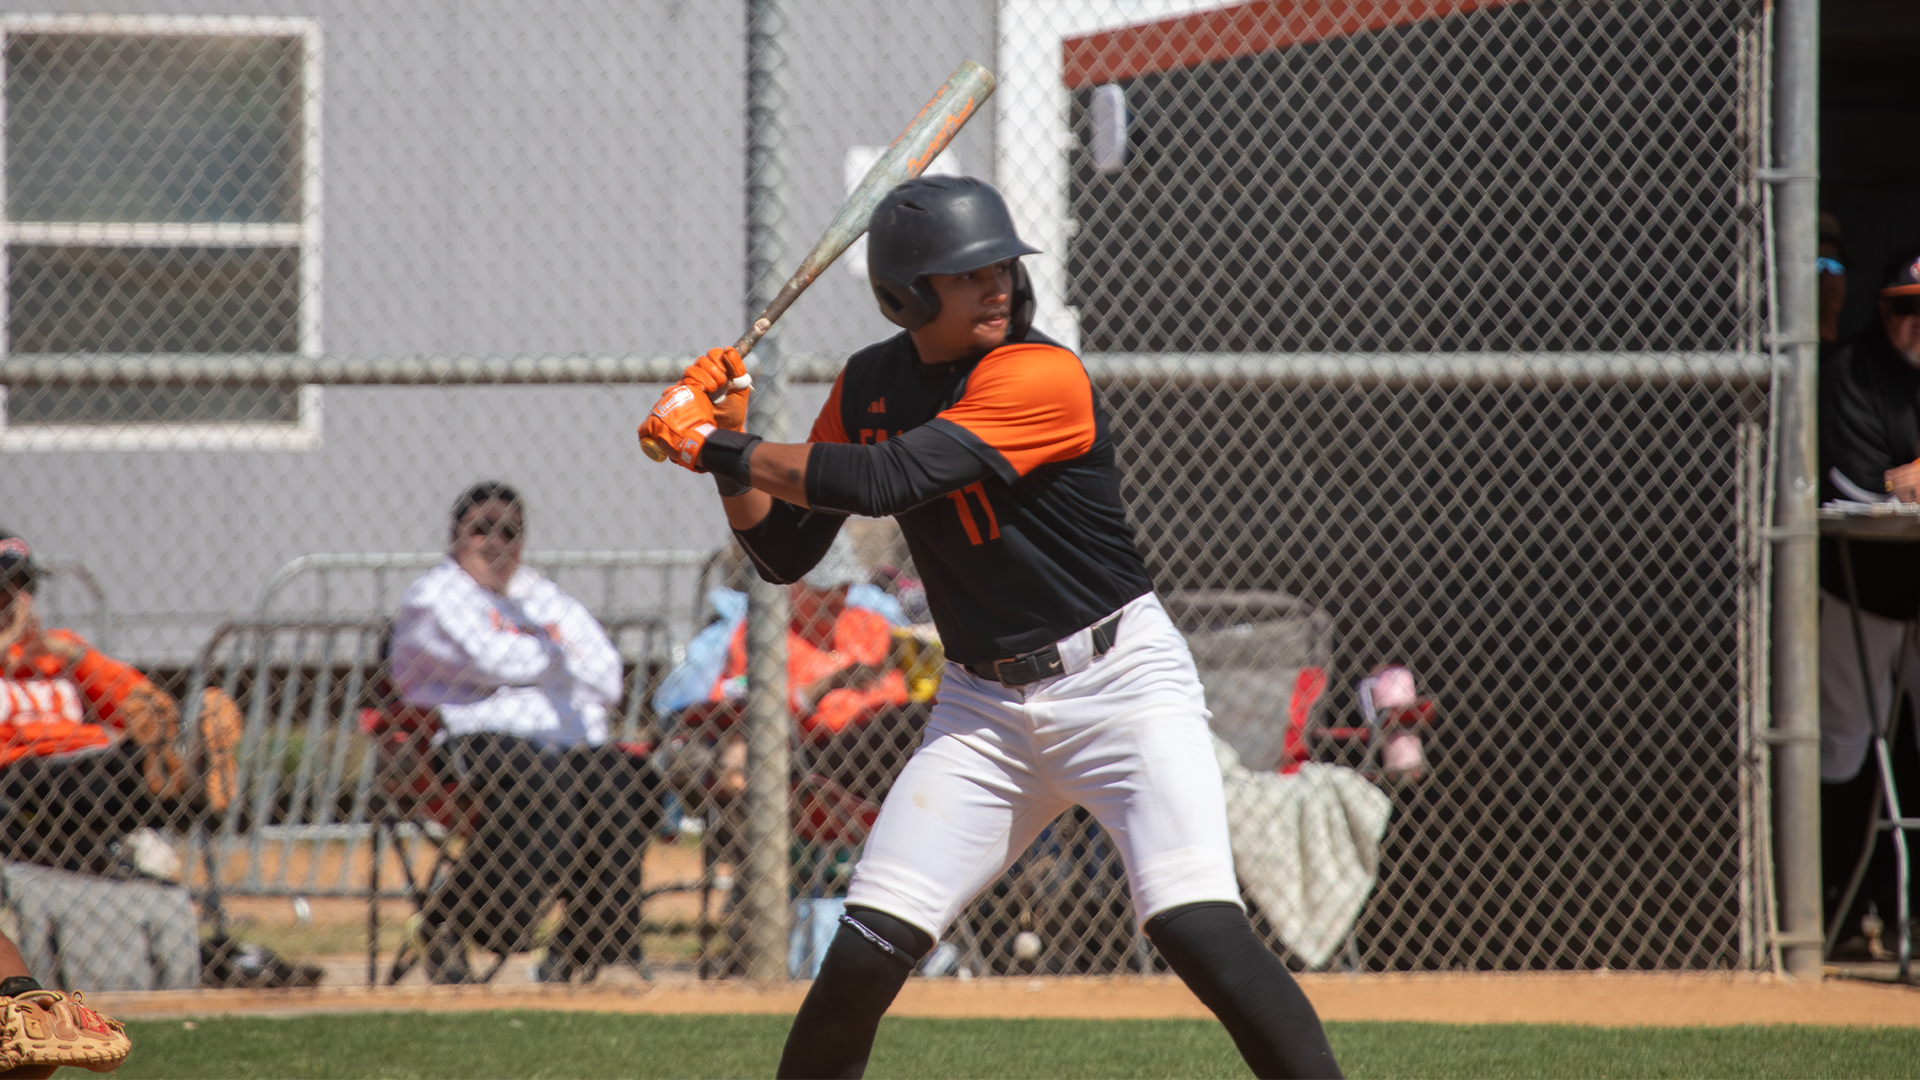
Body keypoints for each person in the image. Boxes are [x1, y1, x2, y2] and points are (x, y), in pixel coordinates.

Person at [640, 175, 1343, 1079]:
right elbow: (782, 554)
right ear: (906, 295)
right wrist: (728, 457)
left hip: (1118, 687)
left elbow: (887, 481)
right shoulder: (869, 384)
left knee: (1198, 930)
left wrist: (708, 442)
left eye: (1002, 267)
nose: (996, 286)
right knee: (859, 962)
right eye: (967, 275)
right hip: (983, 713)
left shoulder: (1040, 374)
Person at [389, 482, 663, 984]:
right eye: (482, 529)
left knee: (628, 779)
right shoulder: (435, 596)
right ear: (455, 536)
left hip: (561, 744)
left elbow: (606, 674)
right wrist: (558, 659)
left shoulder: (537, 594)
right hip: (468, 739)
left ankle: (596, 946)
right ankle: (456, 920)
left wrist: (540, 665)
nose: (496, 543)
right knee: (543, 782)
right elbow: (490, 659)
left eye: (510, 532)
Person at [0, 531, 240, 874]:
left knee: (141, 753)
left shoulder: (54, 650)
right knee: (107, 774)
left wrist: (75, 657)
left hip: (89, 756)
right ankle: (186, 771)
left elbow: (141, 705)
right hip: (22, 770)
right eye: (4, 590)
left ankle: (189, 766)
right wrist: (5, 642)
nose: (18, 603)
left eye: (25, 587)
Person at [1817, 245, 1920, 944]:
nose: (1916, 323)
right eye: (1905, 309)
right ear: (1881, 309)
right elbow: (1861, 486)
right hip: (1864, 589)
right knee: (1847, 743)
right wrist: (1901, 479)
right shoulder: (1852, 371)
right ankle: (1840, 911)